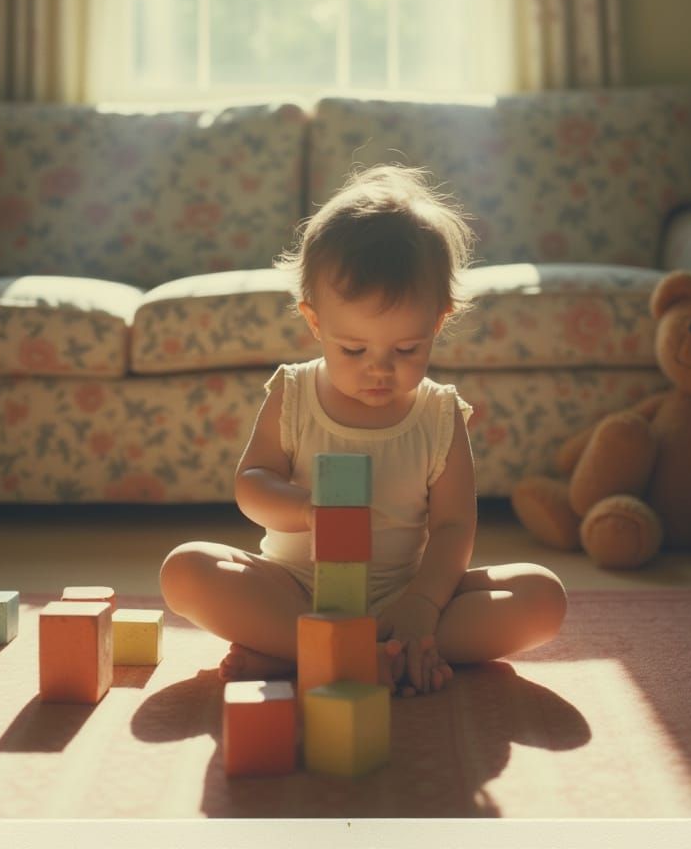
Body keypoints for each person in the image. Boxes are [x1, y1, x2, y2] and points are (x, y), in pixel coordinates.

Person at [160, 164, 567, 696]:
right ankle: (338, 647)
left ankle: (321, 651)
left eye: (407, 349)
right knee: (186, 569)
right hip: (296, 589)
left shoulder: (439, 414)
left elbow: (452, 528)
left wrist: (421, 605)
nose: (380, 368)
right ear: (314, 323)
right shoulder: (294, 393)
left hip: (406, 596)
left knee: (542, 596)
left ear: (438, 323)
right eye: (354, 349)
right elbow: (251, 482)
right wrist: (304, 510)